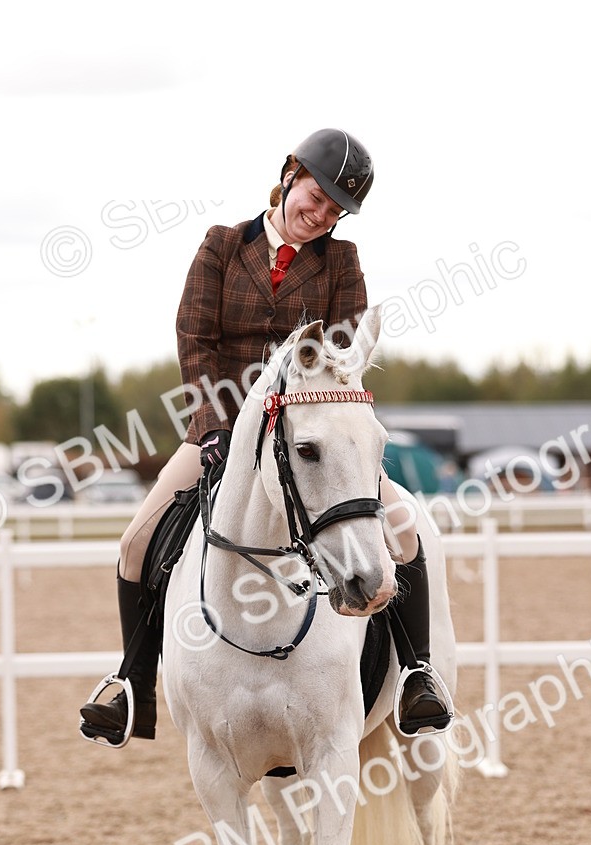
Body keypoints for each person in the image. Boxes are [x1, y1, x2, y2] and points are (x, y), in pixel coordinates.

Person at [80, 129, 453, 746]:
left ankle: (416, 671)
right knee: (135, 542)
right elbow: (194, 342)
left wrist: (330, 427)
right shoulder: (223, 247)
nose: (322, 214)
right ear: (290, 173)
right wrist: (212, 434)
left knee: (406, 528)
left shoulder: (341, 263)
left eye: (335, 210)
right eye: (317, 196)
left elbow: (347, 357)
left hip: (311, 438)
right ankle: (131, 684)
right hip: (220, 431)